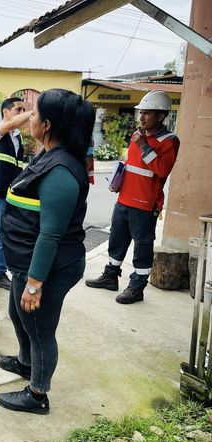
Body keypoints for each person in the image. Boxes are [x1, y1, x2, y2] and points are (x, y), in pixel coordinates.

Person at [0, 89, 94, 415]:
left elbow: (51, 234)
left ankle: (37, 394)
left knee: (40, 331)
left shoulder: (61, 171)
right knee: (18, 315)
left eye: (34, 114)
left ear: (48, 124)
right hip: (25, 261)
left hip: (49, 267)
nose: (29, 118)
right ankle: (25, 364)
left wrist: (35, 284)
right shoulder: (48, 154)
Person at [85, 91, 179, 304]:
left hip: (146, 204)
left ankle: (137, 287)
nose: (141, 117)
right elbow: (132, 165)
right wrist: (117, 180)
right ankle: (110, 276)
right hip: (124, 199)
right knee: (116, 240)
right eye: (140, 112)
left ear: (161, 116)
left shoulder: (169, 141)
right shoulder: (138, 135)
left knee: (142, 246)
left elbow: (162, 170)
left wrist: (143, 144)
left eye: (147, 113)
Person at [0, 97, 31, 290]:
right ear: (6, 112)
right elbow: (11, 124)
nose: (22, 114)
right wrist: (34, 112)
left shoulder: (17, 137)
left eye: (23, 110)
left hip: (10, 194)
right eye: (18, 110)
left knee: (4, 236)